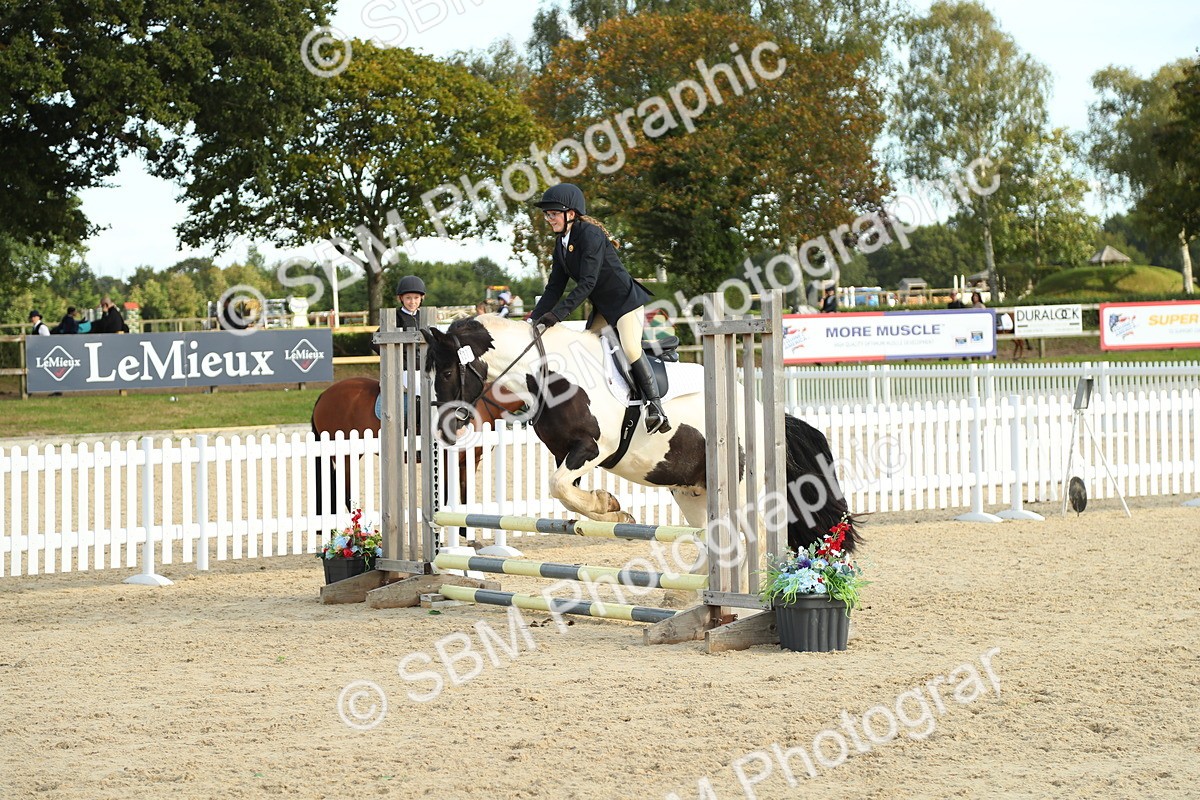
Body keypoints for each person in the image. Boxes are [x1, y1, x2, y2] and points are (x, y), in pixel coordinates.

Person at [530, 183, 667, 433]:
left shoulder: (590, 234)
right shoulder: (561, 244)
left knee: (631, 348)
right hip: (604, 308)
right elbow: (554, 288)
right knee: (587, 348)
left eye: (552, 214)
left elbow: (587, 283)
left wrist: (557, 315)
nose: (548, 219)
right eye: (546, 214)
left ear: (570, 214)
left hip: (626, 304)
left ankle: (656, 408)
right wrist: (534, 320)